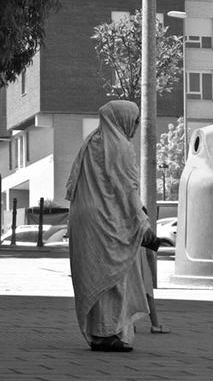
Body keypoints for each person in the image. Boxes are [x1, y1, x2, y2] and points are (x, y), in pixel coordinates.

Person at [65, 100, 160, 352]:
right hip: (106, 222)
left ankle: (101, 334)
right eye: (136, 120)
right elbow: (126, 190)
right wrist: (143, 226)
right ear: (122, 119)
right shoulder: (120, 147)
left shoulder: (92, 142)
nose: (137, 126)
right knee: (115, 277)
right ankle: (107, 334)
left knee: (99, 273)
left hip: (85, 220)